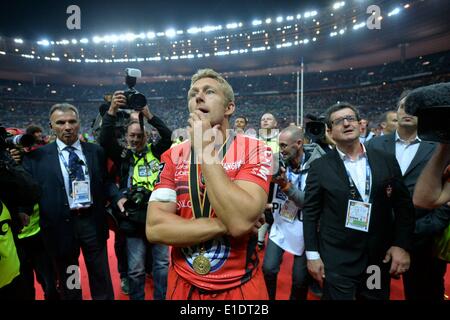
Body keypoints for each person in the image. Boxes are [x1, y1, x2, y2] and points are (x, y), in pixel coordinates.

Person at [146, 68, 273, 300]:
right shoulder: (172, 155)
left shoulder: (256, 150)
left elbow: (239, 221)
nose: (198, 97)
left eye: (209, 91)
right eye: (193, 93)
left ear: (229, 108)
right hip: (183, 283)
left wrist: (204, 149)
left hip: (239, 286)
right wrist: (224, 224)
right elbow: (155, 228)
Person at [303, 102, 415, 300]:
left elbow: (403, 206)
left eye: (350, 119)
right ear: (329, 131)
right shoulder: (319, 167)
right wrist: (312, 255)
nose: (346, 124)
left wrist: (401, 244)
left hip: (376, 258)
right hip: (338, 258)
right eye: (339, 121)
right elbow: (310, 214)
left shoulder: (386, 159)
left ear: (360, 124)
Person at [22, 103, 127, 300]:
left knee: (100, 276)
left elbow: (105, 181)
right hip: (60, 228)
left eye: (72, 121)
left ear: (79, 123)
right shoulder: (36, 158)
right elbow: (28, 192)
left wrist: (117, 196)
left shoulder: (95, 151)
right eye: (61, 122)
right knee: (71, 279)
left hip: (92, 223)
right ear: (51, 126)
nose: (67, 126)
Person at [366, 93, 450, 300]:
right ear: (397, 111)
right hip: (378, 240)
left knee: (425, 294)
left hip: (423, 241)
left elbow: (445, 198)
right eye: (404, 106)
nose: (408, 111)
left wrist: (423, 229)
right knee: (372, 291)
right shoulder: (374, 145)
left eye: (415, 107)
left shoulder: (441, 147)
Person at [98, 97, 172, 300]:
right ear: (126, 135)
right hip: (133, 217)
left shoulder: (156, 152)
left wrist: (149, 115)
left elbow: (168, 136)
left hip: (159, 215)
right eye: (131, 136)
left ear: (146, 136)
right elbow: (105, 140)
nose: (135, 140)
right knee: (136, 269)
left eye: (139, 136)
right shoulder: (124, 156)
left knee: (162, 265)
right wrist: (112, 110)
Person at [263, 125, 325, 300]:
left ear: (298, 143)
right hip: (282, 222)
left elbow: (309, 202)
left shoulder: (319, 165)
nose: (280, 150)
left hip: (307, 227)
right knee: (268, 268)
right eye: (279, 146)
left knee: (300, 279)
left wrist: (285, 186)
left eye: (283, 146)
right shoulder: (278, 160)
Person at [258, 113, 280, 250]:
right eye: (263, 119)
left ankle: (275, 240)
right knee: (262, 209)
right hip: (260, 181)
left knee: (275, 210)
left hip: (277, 182)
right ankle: (260, 239)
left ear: (275, 123)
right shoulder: (254, 140)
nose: (265, 121)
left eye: (268, 119)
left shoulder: (281, 139)